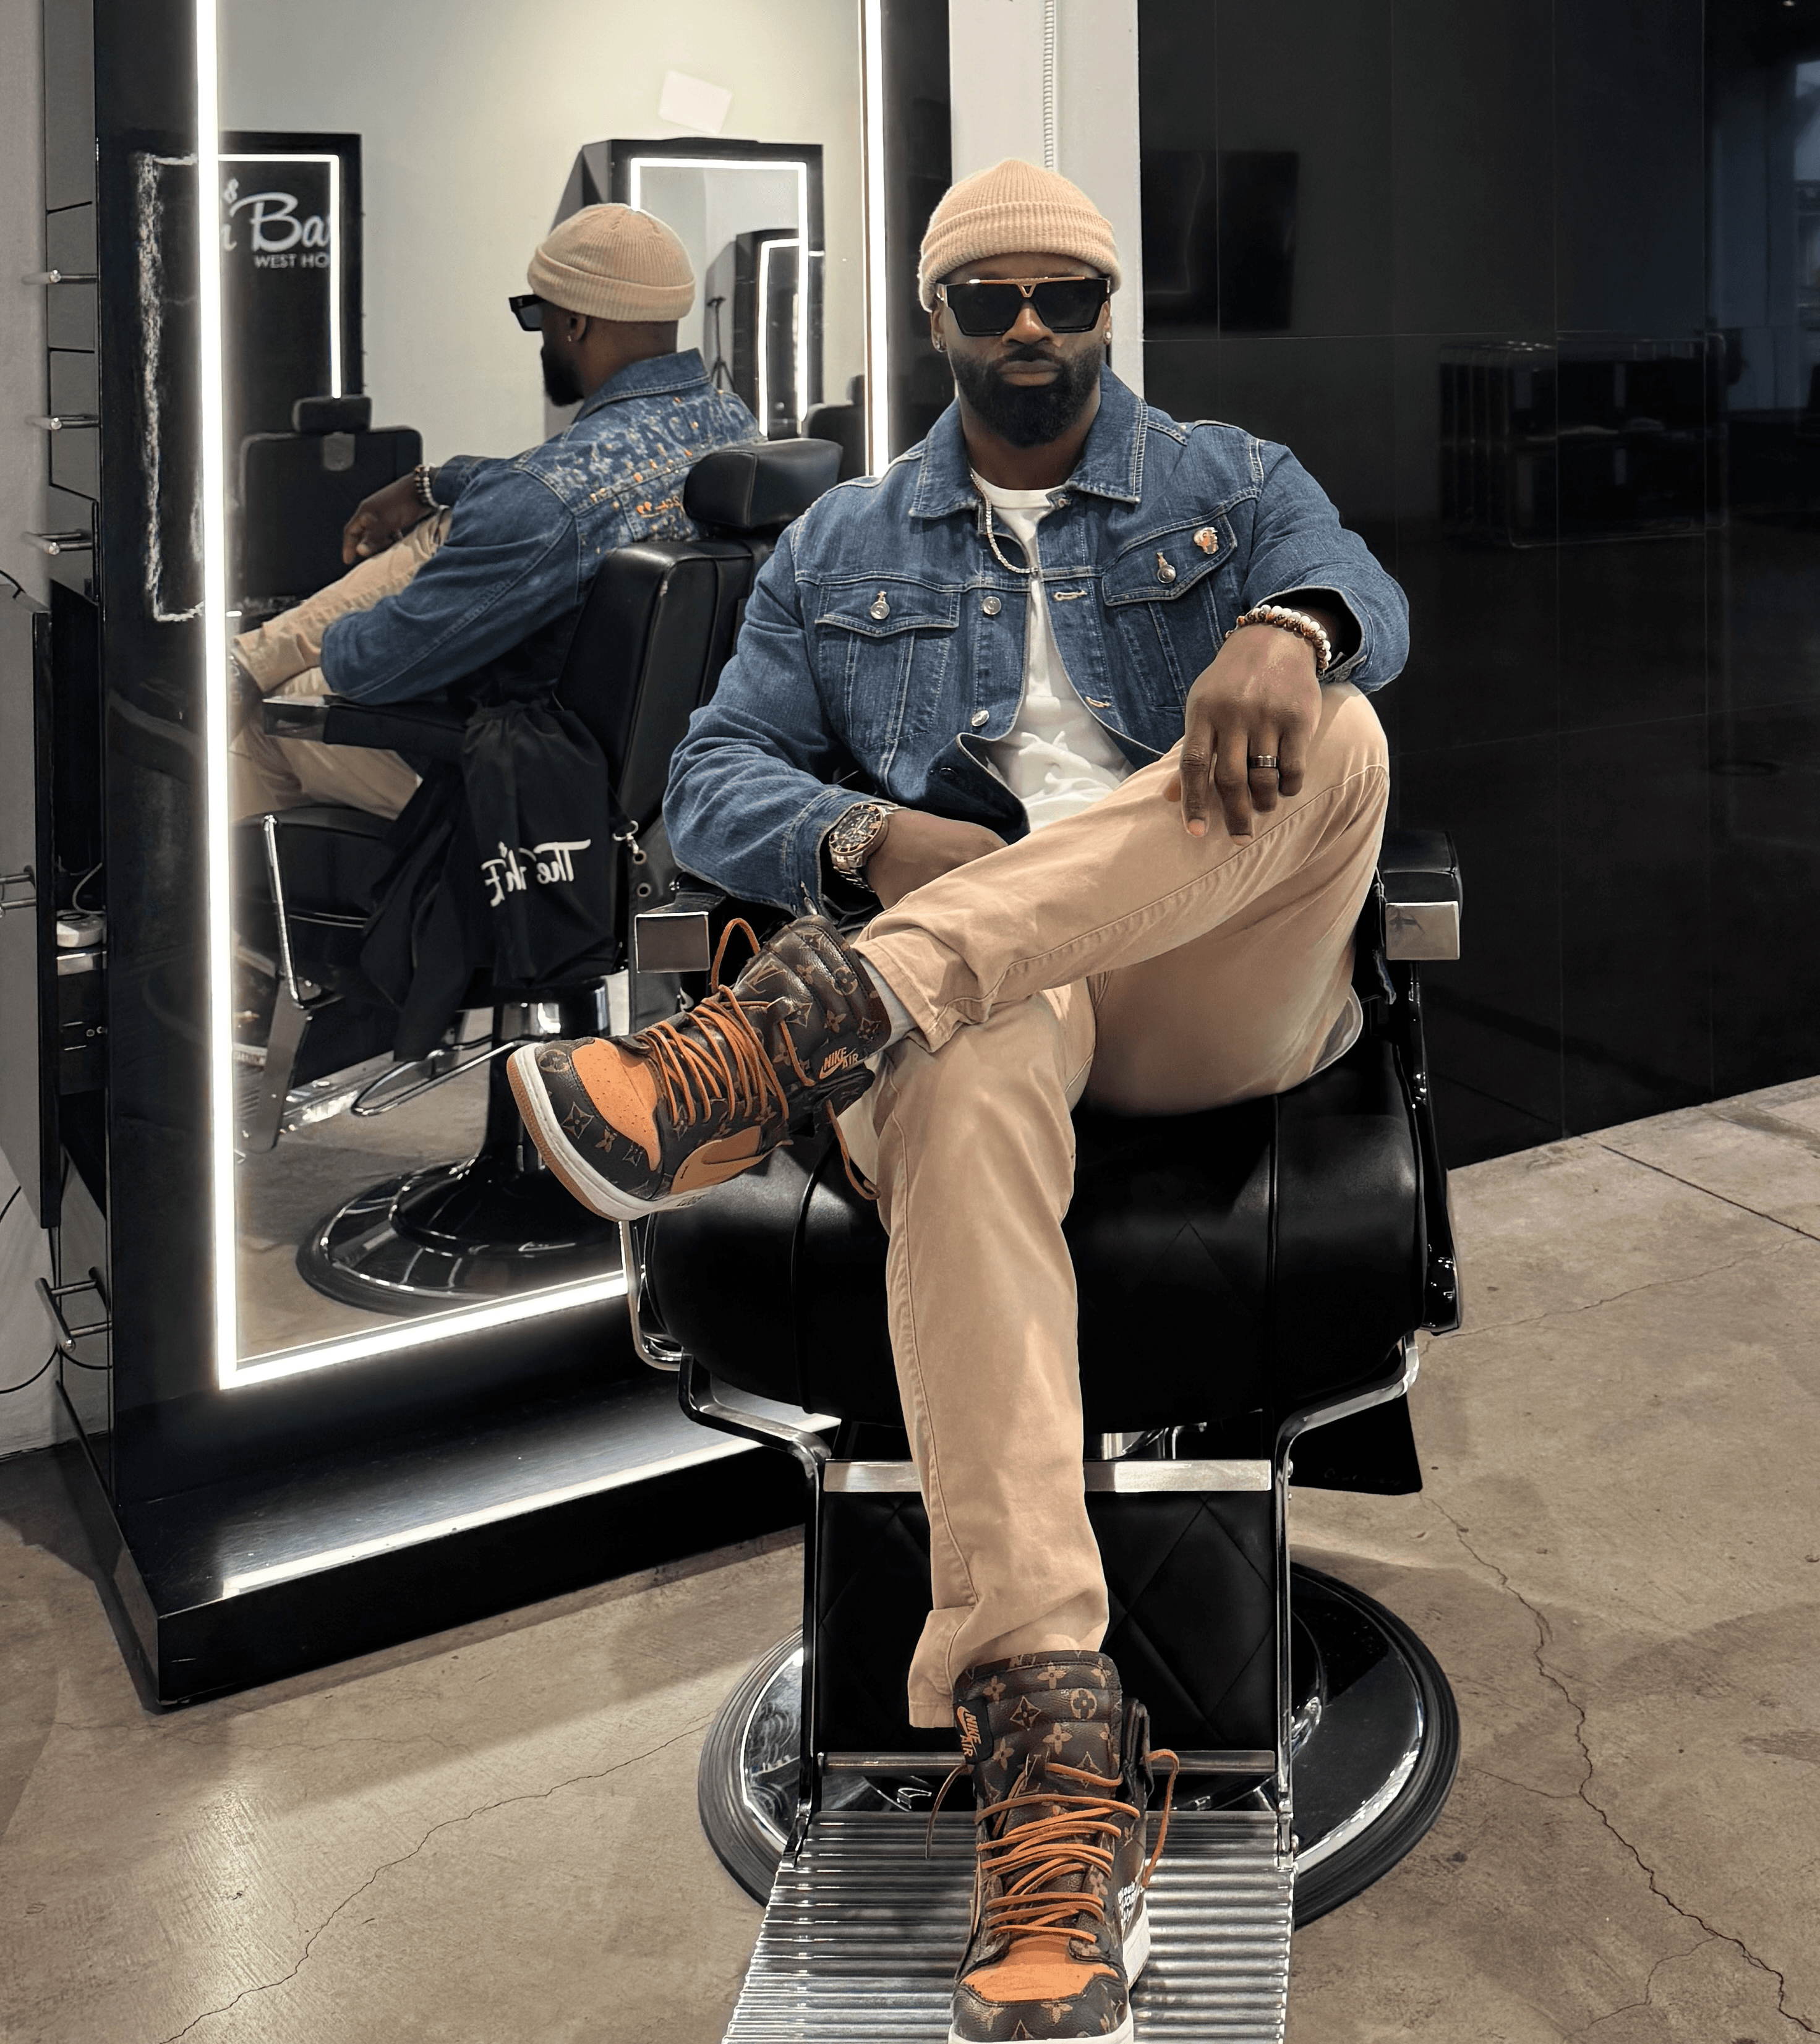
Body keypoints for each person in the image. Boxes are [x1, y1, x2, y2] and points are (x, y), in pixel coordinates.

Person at [510, 160, 1406, 2044]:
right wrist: (865, 834)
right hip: (989, 1010)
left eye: (1063, 295)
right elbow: (708, 777)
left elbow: (1371, 597)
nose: (1028, 328)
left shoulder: (1230, 482)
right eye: (987, 296)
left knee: (1344, 725)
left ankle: (774, 1042)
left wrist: (1292, 625)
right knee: (970, 1028)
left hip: (1207, 987)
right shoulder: (839, 542)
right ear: (934, 318)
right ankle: (1051, 1775)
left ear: (1105, 311)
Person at [230, 203, 762, 820]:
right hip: (673, 771)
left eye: (536, 313)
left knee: (273, 715)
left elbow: (371, 668)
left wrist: (334, 639)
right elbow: (566, 488)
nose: (540, 334)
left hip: (542, 789)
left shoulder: (545, 503)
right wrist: (432, 483)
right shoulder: (733, 427)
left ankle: (251, 698)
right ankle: (248, 660)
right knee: (445, 527)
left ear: (574, 322)